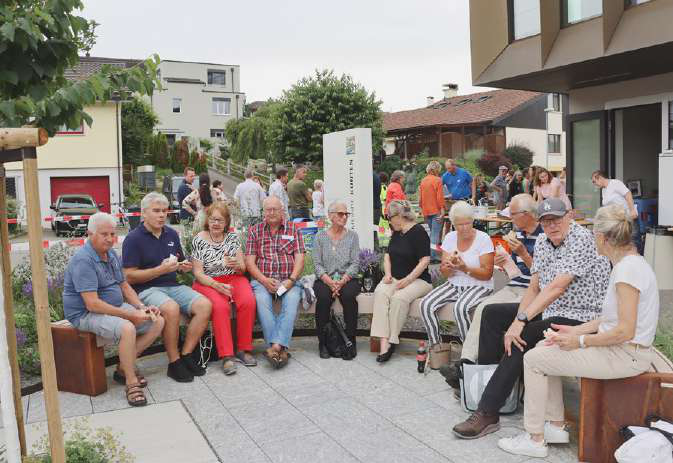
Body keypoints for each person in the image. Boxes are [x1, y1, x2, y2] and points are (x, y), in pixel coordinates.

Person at [497, 204, 659, 458]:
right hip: (624, 350)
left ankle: (534, 438)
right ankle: (554, 425)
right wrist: (575, 331)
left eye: (595, 234)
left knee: (533, 359)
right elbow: (610, 318)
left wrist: (580, 341)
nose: (593, 239)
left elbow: (624, 331)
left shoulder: (627, 271)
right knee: (544, 348)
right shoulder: (628, 264)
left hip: (626, 355)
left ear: (603, 238)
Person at [452, 198, 611, 439]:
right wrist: (518, 318)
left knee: (523, 335)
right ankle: (489, 385)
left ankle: (488, 411)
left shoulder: (582, 239)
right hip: (555, 309)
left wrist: (521, 321)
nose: (552, 226)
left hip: (583, 317)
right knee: (492, 313)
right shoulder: (544, 242)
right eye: (546, 221)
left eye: (557, 219)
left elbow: (557, 287)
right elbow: (535, 287)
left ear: (569, 216)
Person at [440, 194, 543, 398]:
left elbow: (544, 278)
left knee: (493, 315)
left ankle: (481, 375)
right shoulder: (518, 234)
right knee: (483, 309)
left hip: (534, 292)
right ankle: (467, 365)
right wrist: (505, 262)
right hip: (513, 285)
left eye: (512, 215)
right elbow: (516, 273)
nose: (509, 219)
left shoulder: (544, 237)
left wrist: (523, 255)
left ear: (527, 214)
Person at [63, 212, 164, 406]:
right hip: (85, 314)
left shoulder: (110, 254)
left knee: (157, 320)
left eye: (113, 234)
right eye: (104, 234)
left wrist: (142, 307)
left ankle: (122, 368)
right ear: (90, 233)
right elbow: (92, 304)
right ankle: (131, 382)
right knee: (128, 328)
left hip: (113, 306)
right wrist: (130, 315)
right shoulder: (84, 260)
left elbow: (124, 286)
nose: (110, 239)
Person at [123, 192, 213, 383]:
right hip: (146, 290)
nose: (162, 215)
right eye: (156, 211)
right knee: (171, 308)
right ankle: (174, 362)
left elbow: (178, 262)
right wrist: (159, 270)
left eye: (164, 211)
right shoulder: (133, 239)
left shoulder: (171, 233)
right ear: (144, 213)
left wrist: (183, 266)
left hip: (172, 285)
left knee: (205, 305)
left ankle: (186, 354)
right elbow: (128, 276)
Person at [191, 203, 257, 375]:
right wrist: (215, 285)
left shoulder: (233, 238)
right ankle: (226, 356)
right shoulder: (199, 239)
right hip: (208, 281)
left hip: (233, 278)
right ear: (208, 220)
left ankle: (244, 349)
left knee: (248, 301)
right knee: (220, 307)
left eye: (220, 220)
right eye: (213, 219)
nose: (216, 223)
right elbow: (197, 273)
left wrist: (237, 266)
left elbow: (243, 268)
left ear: (226, 222)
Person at [420, 201, 494, 346]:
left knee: (460, 308)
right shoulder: (450, 237)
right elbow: (446, 274)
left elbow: (487, 274)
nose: (465, 227)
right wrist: (449, 266)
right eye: (460, 224)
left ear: (473, 220)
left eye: (468, 223)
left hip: (479, 285)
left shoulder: (483, 238)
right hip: (455, 284)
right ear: (453, 224)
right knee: (425, 304)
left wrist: (464, 268)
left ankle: (468, 351)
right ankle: (436, 347)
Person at [244, 196, 305, 368]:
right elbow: (249, 262)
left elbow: (300, 259)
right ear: (263, 212)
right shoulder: (254, 231)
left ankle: (274, 347)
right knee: (262, 301)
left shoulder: (294, 229)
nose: (271, 213)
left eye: (275, 209)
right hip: (263, 280)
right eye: (268, 209)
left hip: (289, 280)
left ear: (282, 210)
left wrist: (291, 280)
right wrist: (263, 280)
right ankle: (280, 349)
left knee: (292, 301)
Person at [370, 200, 432, 362]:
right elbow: (388, 255)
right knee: (381, 292)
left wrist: (408, 279)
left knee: (399, 298)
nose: (389, 221)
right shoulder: (397, 232)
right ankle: (384, 342)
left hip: (418, 280)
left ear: (399, 216)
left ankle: (392, 340)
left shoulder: (418, 231)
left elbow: (425, 260)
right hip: (396, 277)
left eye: (389, 218)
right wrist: (388, 274)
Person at [312, 201, 361, 360]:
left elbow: (355, 263)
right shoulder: (320, 237)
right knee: (324, 298)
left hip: (347, 279)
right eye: (341, 214)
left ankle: (350, 341)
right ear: (331, 216)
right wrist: (329, 282)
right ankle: (323, 343)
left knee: (348, 297)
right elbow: (317, 264)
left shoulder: (353, 236)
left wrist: (342, 281)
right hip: (325, 278)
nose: (344, 217)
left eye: (346, 214)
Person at [591, 170, 641, 252]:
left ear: (599, 177)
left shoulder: (615, 183)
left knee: (634, 242)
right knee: (623, 243)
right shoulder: (604, 190)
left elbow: (628, 194)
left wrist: (632, 210)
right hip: (618, 220)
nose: (594, 184)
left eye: (594, 181)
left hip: (629, 217)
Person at [419, 161, 445, 262]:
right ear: (435, 169)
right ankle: (432, 257)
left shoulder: (423, 181)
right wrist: (442, 209)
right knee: (435, 234)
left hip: (426, 210)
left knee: (431, 233)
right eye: (439, 169)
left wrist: (422, 210)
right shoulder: (438, 180)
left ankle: (428, 255)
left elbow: (420, 198)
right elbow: (439, 197)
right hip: (436, 210)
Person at [373, 170, 382, 249]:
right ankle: (376, 250)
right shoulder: (375, 175)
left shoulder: (369, 176)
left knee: (372, 231)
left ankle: (375, 251)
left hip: (372, 207)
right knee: (374, 231)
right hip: (376, 206)